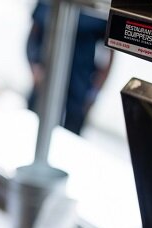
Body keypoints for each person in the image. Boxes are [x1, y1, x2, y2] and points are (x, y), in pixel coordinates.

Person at [26, 2, 113, 135]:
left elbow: (108, 53)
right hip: (44, 82)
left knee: (70, 136)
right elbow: (33, 36)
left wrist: (94, 92)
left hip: (79, 87)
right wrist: (35, 69)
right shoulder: (47, 5)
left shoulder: (98, 9)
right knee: (31, 129)